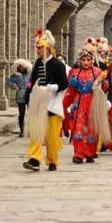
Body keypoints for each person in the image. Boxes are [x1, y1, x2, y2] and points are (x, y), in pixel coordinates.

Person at [23, 29, 68, 172]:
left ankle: (52, 160)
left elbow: (64, 83)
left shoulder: (58, 65)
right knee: (36, 133)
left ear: (48, 48)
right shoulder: (37, 63)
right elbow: (33, 80)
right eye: (37, 47)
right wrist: (29, 90)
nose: (38, 50)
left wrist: (54, 87)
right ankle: (34, 159)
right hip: (38, 102)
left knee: (52, 137)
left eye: (40, 47)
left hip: (52, 103)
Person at [65, 41, 107, 164]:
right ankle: (78, 153)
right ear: (80, 60)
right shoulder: (75, 73)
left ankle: (90, 152)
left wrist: (102, 83)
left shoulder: (98, 72)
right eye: (83, 59)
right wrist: (65, 104)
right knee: (78, 127)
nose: (86, 62)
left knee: (92, 128)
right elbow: (70, 90)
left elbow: (105, 88)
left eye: (88, 59)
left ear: (92, 60)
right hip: (79, 103)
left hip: (93, 103)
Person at [6, 59, 32, 138]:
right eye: (19, 67)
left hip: (29, 95)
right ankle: (21, 130)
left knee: (31, 113)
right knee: (21, 113)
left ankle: (31, 130)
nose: (21, 68)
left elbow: (34, 81)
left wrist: (30, 85)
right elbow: (8, 81)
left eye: (22, 66)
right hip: (20, 95)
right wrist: (15, 86)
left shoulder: (29, 74)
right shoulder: (16, 75)